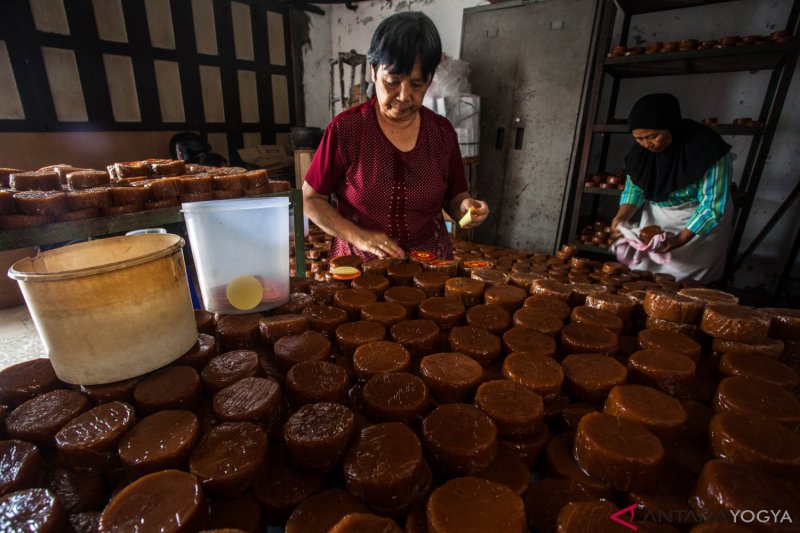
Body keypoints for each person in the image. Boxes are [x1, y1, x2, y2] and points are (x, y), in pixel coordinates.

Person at [302, 11, 489, 260]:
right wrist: (360, 236)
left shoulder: (442, 134)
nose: (403, 96)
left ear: (430, 79)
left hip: (429, 267)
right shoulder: (346, 130)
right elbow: (310, 199)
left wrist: (466, 208)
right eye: (392, 82)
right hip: (361, 268)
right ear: (373, 71)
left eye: (416, 85)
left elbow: (455, 199)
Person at [610, 93, 733, 283]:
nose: (646, 144)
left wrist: (680, 240)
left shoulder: (707, 149)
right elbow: (634, 189)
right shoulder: (640, 154)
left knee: (688, 282)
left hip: (699, 220)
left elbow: (711, 205)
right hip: (659, 217)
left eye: (652, 136)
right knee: (645, 274)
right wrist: (621, 217)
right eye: (639, 138)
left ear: (671, 126)